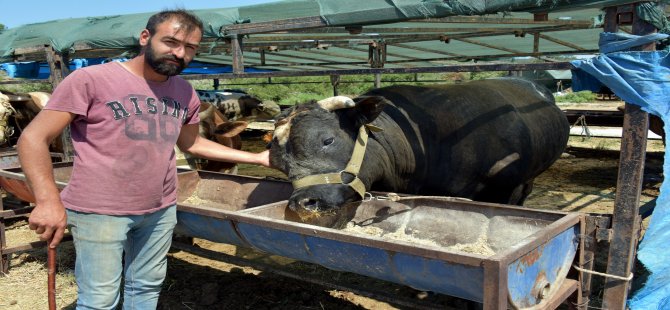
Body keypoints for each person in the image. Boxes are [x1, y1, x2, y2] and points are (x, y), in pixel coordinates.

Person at [17, 9, 270, 309]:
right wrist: (47, 201)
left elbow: (192, 142)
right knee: (99, 300)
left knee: (146, 289)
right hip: (101, 210)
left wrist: (258, 158)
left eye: (190, 48)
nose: (179, 53)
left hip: (159, 210)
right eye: (171, 42)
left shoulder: (184, 92)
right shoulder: (91, 80)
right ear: (145, 37)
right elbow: (33, 138)